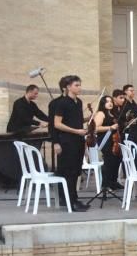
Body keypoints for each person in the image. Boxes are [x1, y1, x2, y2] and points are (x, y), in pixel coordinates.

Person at [52, 75, 90, 211]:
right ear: (68, 87)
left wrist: (88, 119)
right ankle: (70, 201)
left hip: (78, 141)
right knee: (69, 172)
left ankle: (75, 199)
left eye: (79, 85)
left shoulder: (78, 102)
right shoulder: (62, 103)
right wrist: (75, 131)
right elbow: (57, 124)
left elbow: (76, 120)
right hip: (67, 141)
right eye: (76, 85)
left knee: (76, 172)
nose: (79, 88)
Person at [94, 94, 123, 192]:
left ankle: (113, 182)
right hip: (105, 140)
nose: (110, 103)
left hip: (114, 140)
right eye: (107, 102)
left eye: (111, 101)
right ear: (103, 103)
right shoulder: (101, 114)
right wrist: (110, 127)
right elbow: (96, 128)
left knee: (117, 159)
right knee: (109, 161)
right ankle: (105, 184)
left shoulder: (112, 114)